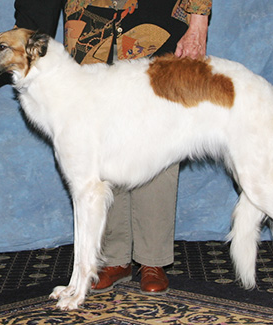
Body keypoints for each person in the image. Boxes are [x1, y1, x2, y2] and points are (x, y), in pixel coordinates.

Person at [14, 0, 211, 295]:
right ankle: (112, 259)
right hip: (90, 28)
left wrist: (198, 22)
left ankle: (152, 260)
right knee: (99, 146)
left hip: (155, 21)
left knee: (159, 137)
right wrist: (23, 33)